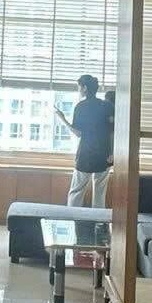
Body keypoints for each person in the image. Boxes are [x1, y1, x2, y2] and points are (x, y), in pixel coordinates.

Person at [56, 75, 112, 206]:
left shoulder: (81, 106)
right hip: (104, 154)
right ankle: (99, 219)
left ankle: (73, 217)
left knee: (76, 191)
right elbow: (112, 131)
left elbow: (78, 133)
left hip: (86, 153)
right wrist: (111, 152)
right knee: (100, 192)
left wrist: (63, 119)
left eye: (79, 87)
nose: (79, 90)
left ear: (85, 88)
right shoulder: (107, 106)